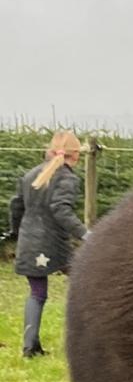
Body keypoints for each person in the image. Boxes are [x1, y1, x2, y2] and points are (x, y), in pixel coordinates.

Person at [7, 130, 88, 358]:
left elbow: (16, 207)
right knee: (86, 283)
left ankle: (30, 347)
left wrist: (15, 232)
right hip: (54, 244)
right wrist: (86, 235)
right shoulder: (68, 178)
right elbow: (61, 211)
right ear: (76, 156)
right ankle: (86, 344)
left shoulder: (30, 174)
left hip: (29, 241)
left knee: (36, 293)